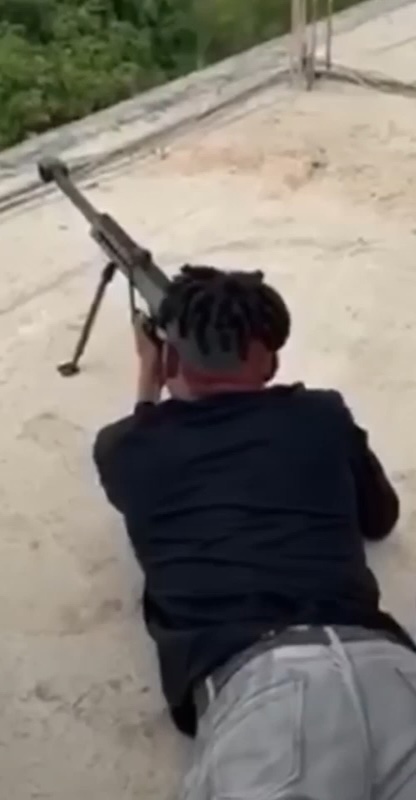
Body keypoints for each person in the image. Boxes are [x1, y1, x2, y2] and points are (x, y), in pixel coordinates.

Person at [93, 266, 416, 800]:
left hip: (256, 689)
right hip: (391, 665)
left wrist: (149, 381)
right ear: (272, 358)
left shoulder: (124, 449)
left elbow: (142, 462)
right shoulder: (322, 414)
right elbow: (379, 518)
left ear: (169, 357)